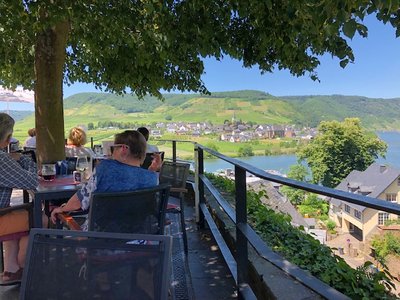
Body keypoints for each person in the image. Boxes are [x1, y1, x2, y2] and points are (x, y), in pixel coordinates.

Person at [51, 130, 162, 227]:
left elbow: (80, 201)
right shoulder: (152, 178)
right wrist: (152, 171)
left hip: (100, 243)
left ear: (123, 149)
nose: (111, 152)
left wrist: (62, 209)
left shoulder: (104, 169)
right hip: (138, 243)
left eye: (113, 148)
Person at [0, 113, 39, 283]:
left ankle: (10, 270)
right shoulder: (1, 159)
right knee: (41, 217)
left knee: (19, 213)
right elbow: (32, 181)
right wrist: (24, 158)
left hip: (4, 213)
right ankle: (25, 266)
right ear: (7, 137)